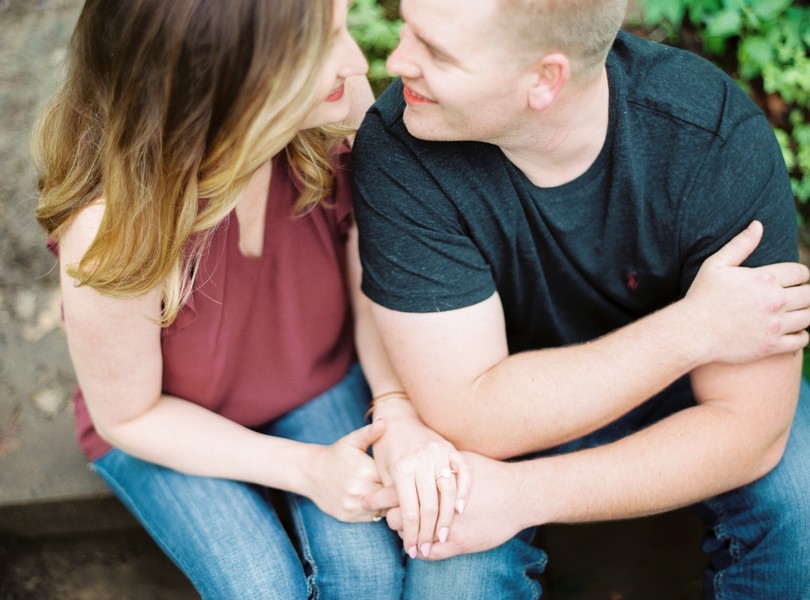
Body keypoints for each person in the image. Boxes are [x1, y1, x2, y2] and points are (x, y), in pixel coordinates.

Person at [354, 0, 810, 597]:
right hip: (502, 417)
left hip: (672, 398)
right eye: (408, 28)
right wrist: (692, 330)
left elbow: (750, 430)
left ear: (544, 79)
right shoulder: (403, 143)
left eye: (437, 51)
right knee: (449, 567)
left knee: (800, 502)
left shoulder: (710, 136)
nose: (397, 60)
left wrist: (522, 496)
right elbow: (467, 412)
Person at [30, 0, 434, 597]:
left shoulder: (333, 116)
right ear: (223, 83)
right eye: (321, 46)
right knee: (261, 588)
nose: (354, 62)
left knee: (369, 575)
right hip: (168, 421)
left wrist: (394, 403)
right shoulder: (115, 225)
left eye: (344, 27)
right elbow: (129, 415)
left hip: (315, 376)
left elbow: (369, 290)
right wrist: (306, 469)